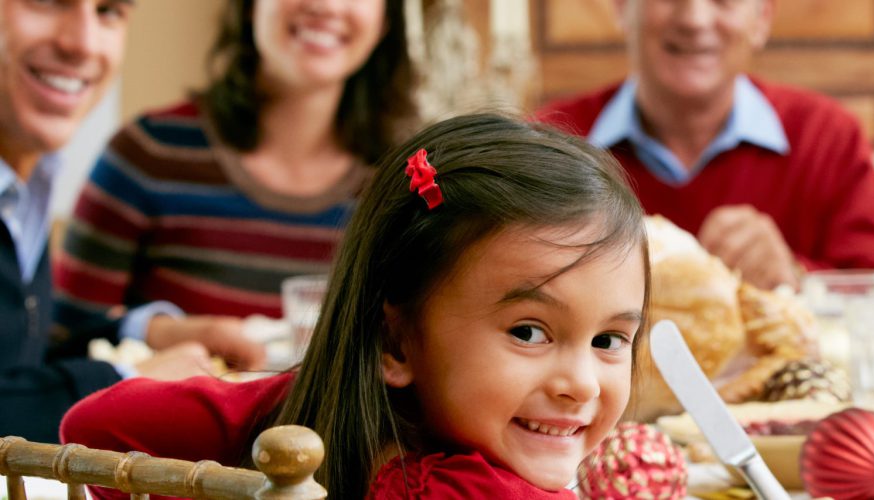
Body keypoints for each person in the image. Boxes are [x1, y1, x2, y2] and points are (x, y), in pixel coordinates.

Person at [61, 113, 647, 497]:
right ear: (394, 341)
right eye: (529, 332)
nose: (583, 384)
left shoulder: (294, 415)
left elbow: (93, 426)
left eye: (608, 342)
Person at [51, 0, 416, 366]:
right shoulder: (148, 153)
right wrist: (158, 331)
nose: (327, 5)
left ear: (386, 20)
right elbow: (60, 342)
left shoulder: (408, 186)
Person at [0, 0, 250, 443]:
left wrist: (148, 332)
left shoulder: (29, 180)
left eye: (110, 11)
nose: (82, 43)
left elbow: (16, 366)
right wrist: (124, 380)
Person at [537, 0, 874, 291]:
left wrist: (794, 277)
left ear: (761, 18)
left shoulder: (828, 137)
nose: (695, 19)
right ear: (623, 7)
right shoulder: (551, 142)